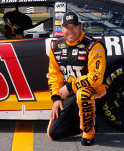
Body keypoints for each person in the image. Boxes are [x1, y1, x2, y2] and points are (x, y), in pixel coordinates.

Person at [47, 11, 107, 146]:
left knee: (83, 93)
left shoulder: (94, 46)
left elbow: (95, 78)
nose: (71, 31)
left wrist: (69, 86)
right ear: (62, 28)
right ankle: (88, 121)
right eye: (67, 27)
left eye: (74, 26)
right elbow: (54, 75)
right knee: (53, 133)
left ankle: (89, 133)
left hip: (95, 92)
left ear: (81, 26)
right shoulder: (55, 46)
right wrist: (56, 98)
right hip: (71, 95)